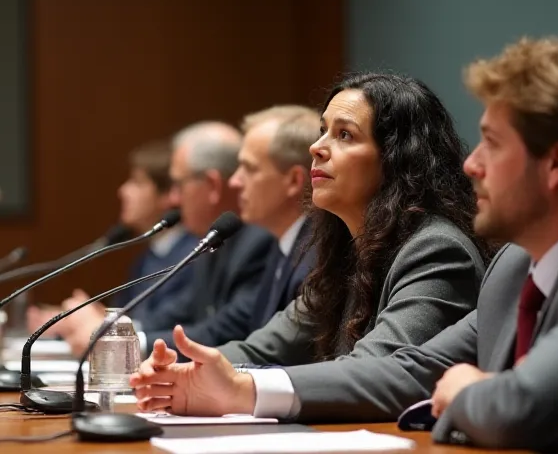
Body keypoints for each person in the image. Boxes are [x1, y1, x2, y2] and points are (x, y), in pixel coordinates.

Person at [129, 35, 558, 452]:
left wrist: (470, 390)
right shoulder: (518, 265)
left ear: (556, 164)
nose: (471, 164)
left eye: (492, 143)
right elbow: (410, 370)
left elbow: (519, 408)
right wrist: (240, 388)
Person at [131, 72, 490, 382]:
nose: (317, 147)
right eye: (322, 131)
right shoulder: (344, 252)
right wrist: (180, 369)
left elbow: (374, 370)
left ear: (397, 159)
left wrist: (243, 387)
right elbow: (262, 347)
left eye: (344, 135)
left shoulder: (437, 250)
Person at [50, 121, 274, 355]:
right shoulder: (212, 242)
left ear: (213, 186)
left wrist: (118, 339)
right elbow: (182, 314)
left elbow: (224, 331)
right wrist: (111, 327)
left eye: (178, 184)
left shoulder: (256, 244)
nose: (174, 199)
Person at [28, 140, 198, 332]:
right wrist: (72, 318)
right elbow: (127, 315)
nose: (123, 191)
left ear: (169, 194)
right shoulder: (146, 258)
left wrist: (97, 322)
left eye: (137, 182)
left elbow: (165, 325)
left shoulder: (193, 255)